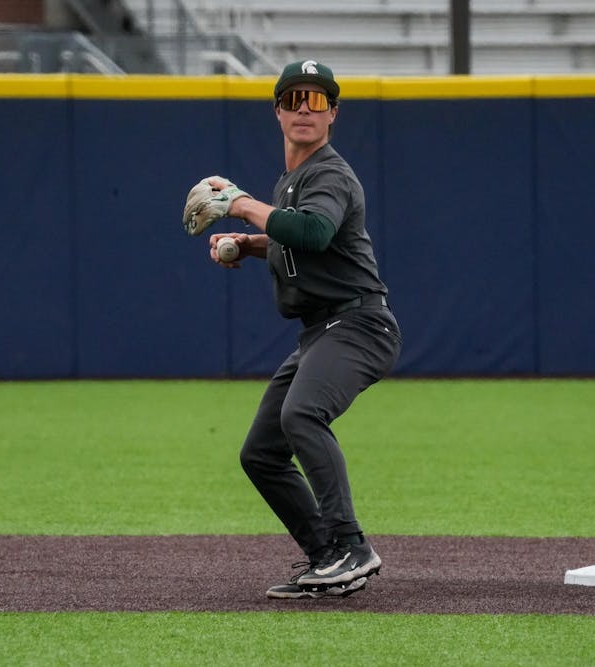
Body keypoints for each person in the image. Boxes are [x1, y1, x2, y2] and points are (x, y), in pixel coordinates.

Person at [182, 60, 402, 600]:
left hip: (359, 323)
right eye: (295, 98)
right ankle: (326, 554)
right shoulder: (290, 183)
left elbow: (316, 230)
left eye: (318, 99)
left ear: (334, 115)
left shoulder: (328, 173)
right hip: (323, 330)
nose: (306, 107)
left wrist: (239, 205)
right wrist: (249, 243)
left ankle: (353, 546)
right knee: (260, 452)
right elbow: (297, 240)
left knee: (302, 413)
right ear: (278, 110)